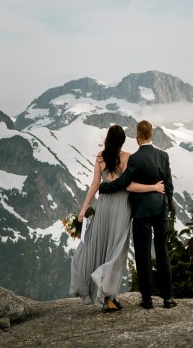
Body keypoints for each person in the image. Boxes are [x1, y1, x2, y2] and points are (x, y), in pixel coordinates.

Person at [70, 124, 164, 312]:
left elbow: (95, 184)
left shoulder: (100, 157)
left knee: (101, 245)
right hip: (121, 206)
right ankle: (108, 295)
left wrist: (83, 209)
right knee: (117, 249)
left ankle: (102, 291)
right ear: (122, 141)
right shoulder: (126, 157)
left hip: (103, 205)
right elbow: (129, 186)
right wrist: (154, 187)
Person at [97, 119, 175, 310]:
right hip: (160, 210)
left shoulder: (135, 159)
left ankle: (147, 299)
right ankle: (168, 298)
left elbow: (124, 182)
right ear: (151, 135)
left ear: (137, 137)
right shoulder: (163, 156)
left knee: (142, 254)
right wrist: (167, 205)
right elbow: (169, 185)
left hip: (141, 212)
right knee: (162, 252)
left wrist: (104, 187)